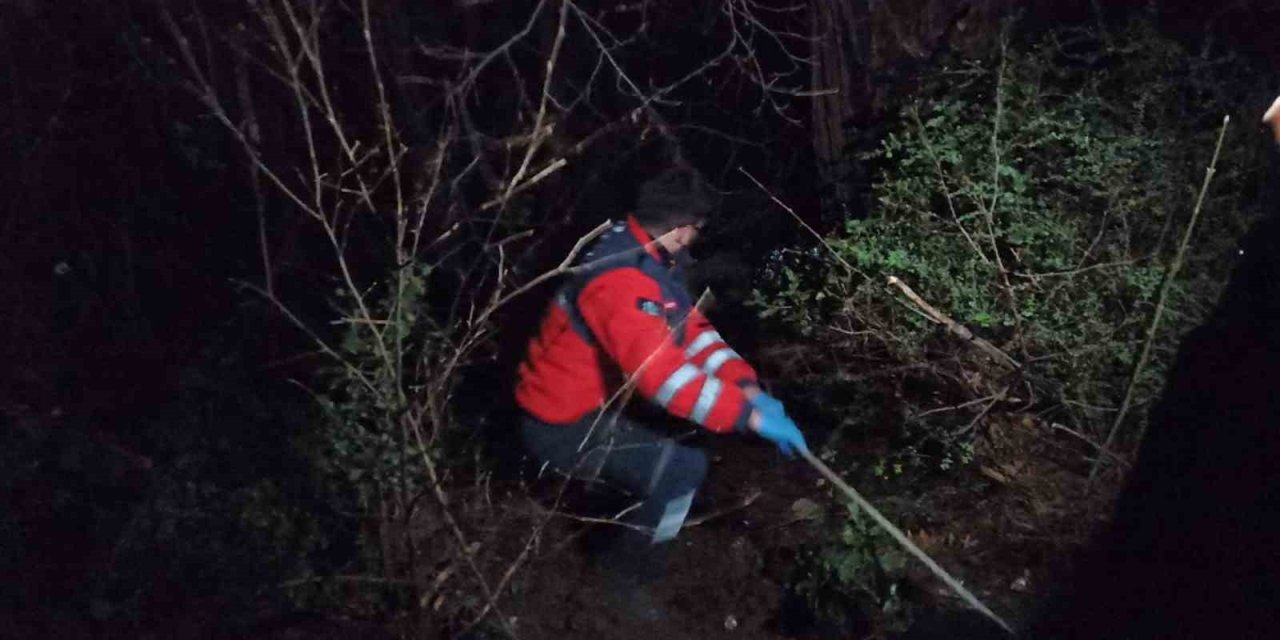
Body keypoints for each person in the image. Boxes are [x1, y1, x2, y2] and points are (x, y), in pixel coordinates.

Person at [514, 165, 807, 596]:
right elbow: (663, 377)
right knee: (680, 475)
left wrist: (742, 383)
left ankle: (617, 543)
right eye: (696, 228)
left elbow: (690, 331)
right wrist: (747, 416)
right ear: (683, 227)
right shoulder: (619, 280)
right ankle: (623, 587)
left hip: (583, 405)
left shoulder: (645, 254)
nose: (695, 237)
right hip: (557, 422)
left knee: (675, 465)